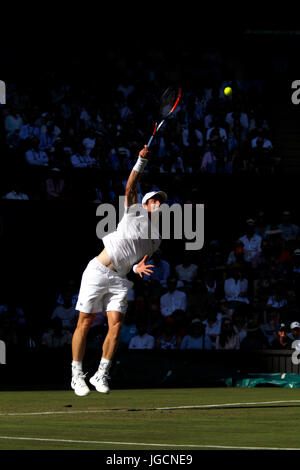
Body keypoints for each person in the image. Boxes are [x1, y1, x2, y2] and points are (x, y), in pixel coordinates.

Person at [71, 145, 167, 396]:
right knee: (86, 321)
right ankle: (76, 374)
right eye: (154, 200)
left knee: (116, 326)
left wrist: (137, 267)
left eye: (162, 202)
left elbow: (135, 262)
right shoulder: (135, 211)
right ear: (145, 204)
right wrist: (140, 161)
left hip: (120, 280)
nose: (158, 204)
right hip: (98, 270)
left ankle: (101, 372)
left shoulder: (156, 238)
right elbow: (130, 188)